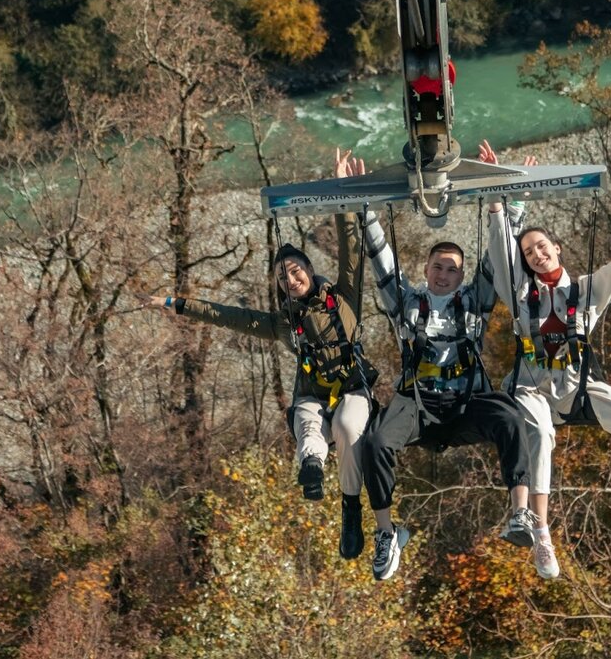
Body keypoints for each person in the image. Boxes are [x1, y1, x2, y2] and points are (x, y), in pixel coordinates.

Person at [138, 149, 375, 561]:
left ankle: (351, 508)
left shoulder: (342, 298)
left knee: (350, 429)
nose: (292, 278)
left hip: (352, 386)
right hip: (313, 395)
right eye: (283, 276)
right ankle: (313, 470)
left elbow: (352, 251)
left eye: (296, 269)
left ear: (309, 269)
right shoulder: (282, 323)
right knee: (306, 423)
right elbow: (227, 316)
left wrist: (340, 191)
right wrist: (177, 303)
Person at [355, 141, 537, 581]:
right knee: (375, 443)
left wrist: (514, 202)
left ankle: (520, 512)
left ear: (460, 275)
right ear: (426, 269)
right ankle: (385, 532)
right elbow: (381, 263)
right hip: (417, 404)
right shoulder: (407, 301)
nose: (443, 274)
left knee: (512, 418)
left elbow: (499, 259)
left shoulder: (473, 301)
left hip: (464, 403)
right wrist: (364, 205)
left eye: (452, 269)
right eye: (438, 266)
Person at [489, 193, 611, 579]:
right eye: (528, 253)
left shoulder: (585, 289)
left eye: (541, 247)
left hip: (576, 385)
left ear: (556, 248)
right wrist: (497, 206)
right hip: (532, 387)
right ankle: (541, 532)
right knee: (540, 434)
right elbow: (500, 254)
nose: (537, 255)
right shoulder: (521, 295)